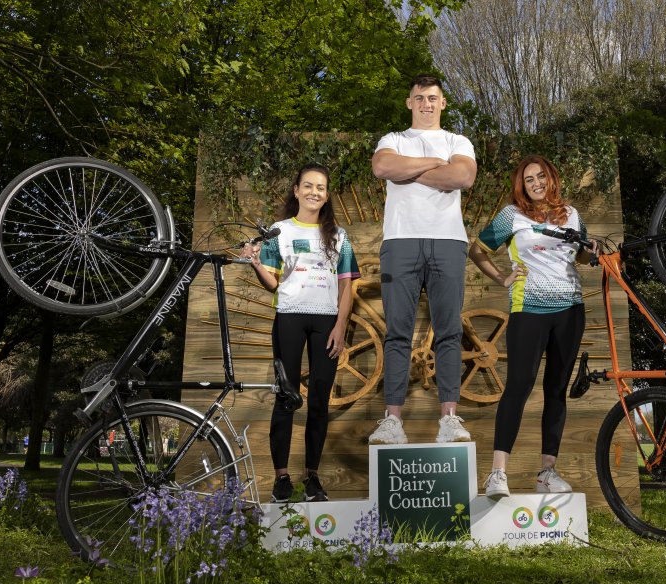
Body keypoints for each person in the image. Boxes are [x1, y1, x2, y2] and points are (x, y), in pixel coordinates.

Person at [468, 155, 597, 498]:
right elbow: (477, 250)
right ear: (521, 185)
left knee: (556, 390)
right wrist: (502, 277)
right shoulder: (512, 216)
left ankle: (547, 472)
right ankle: (497, 474)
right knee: (518, 387)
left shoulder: (571, 214)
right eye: (529, 179)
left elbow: (581, 257)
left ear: (551, 178)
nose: (536, 183)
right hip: (528, 308)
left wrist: (590, 248)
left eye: (541, 176)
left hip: (570, 309)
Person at [368, 74, 478, 445]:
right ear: (409, 102)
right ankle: (392, 421)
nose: (427, 104)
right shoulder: (393, 140)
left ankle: (448, 419)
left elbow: (462, 175)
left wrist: (410, 170)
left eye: (433, 98)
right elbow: (384, 168)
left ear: (443, 103)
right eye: (420, 98)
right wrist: (434, 164)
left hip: (448, 241)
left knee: (449, 331)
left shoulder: (458, 141)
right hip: (400, 240)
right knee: (397, 332)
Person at [242, 163, 360, 502]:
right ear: (296, 190)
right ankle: (281, 478)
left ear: (326, 196)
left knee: (319, 402)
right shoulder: (278, 231)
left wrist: (340, 325)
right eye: (308, 186)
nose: (314, 192)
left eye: (321, 187)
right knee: (286, 397)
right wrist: (254, 262)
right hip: (289, 318)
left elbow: (347, 286)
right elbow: (272, 283)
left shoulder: (339, 236)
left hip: (326, 322)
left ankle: (312, 477)